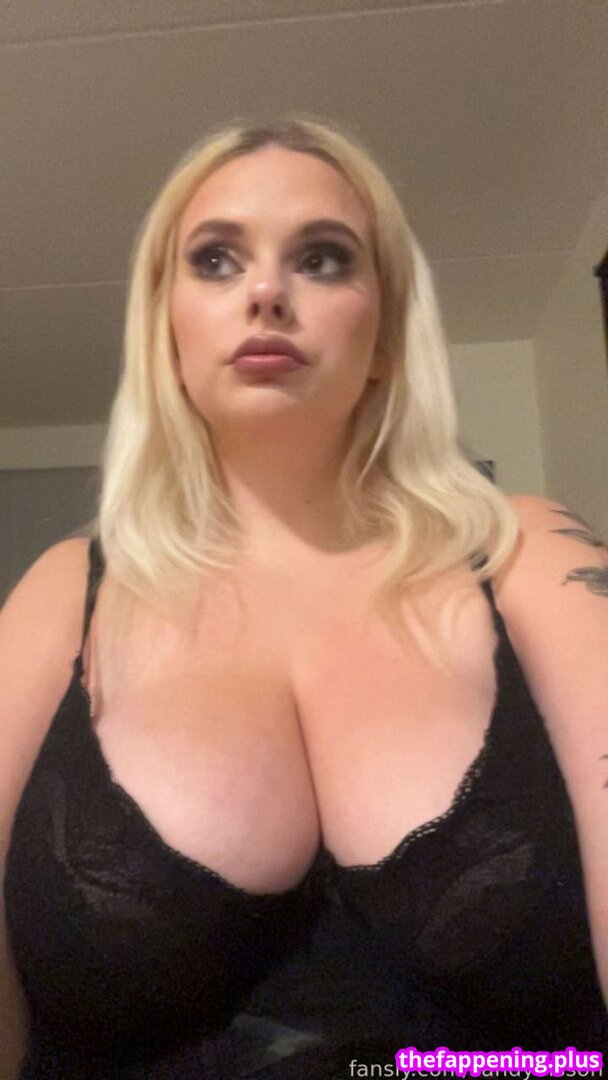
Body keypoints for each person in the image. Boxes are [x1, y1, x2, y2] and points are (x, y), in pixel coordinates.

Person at [1, 113, 606, 1079]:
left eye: (322, 259)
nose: (267, 293)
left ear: (386, 335)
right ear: (165, 330)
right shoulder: (61, 595)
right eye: (216, 260)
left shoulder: (528, 556)